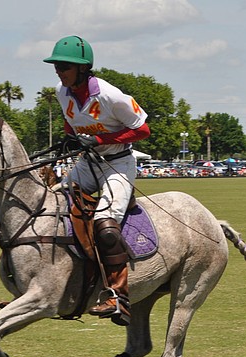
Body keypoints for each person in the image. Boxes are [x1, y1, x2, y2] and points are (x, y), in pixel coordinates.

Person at [44, 35, 151, 326]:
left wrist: (102, 139)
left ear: (82, 68)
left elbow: (142, 130)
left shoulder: (109, 95)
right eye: (56, 66)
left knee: (105, 225)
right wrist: (70, 140)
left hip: (116, 164)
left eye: (64, 66)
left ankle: (119, 297)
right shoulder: (62, 91)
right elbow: (70, 121)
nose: (58, 71)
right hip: (87, 163)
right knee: (51, 205)